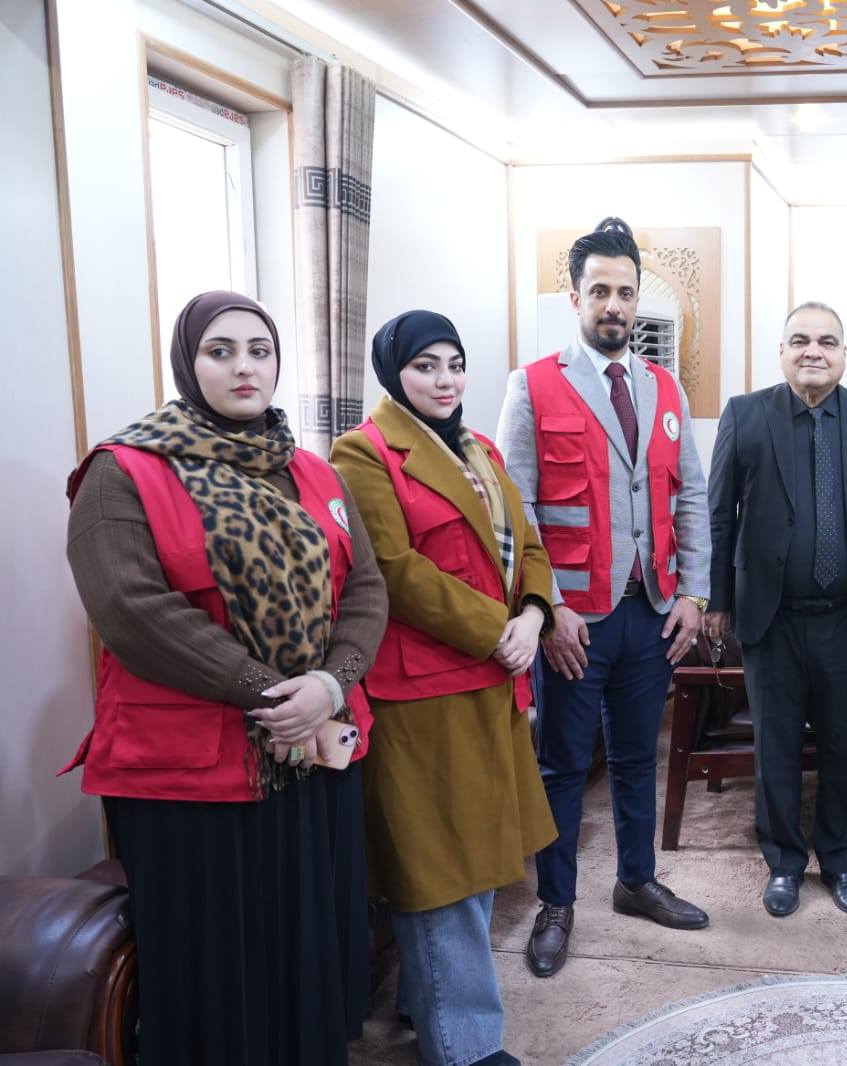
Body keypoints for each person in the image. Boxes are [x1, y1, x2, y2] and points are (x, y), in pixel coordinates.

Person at [62, 291, 386, 1065]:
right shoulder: (124, 471)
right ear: (187, 362)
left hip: (313, 753)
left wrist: (330, 686)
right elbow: (133, 612)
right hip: (193, 778)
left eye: (259, 350)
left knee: (307, 952)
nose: (245, 367)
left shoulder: (312, 470)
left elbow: (366, 589)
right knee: (218, 971)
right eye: (221, 350)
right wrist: (271, 693)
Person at [332, 311, 559, 1064]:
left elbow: (529, 543)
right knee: (441, 875)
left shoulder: (480, 448)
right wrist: (500, 628)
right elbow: (395, 572)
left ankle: (425, 1001)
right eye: (425, 365)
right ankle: (464, 1048)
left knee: (478, 864)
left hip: (493, 680)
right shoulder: (363, 452)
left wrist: (534, 614)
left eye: (454, 364)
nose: (445, 380)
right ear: (393, 372)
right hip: (425, 694)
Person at [496, 217, 712, 979]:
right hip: (574, 620)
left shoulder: (662, 387)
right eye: (599, 291)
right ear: (575, 297)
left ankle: (636, 881)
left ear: (636, 297)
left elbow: (691, 496)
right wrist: (546, 608)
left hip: (650, 610)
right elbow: (514, 509)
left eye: (624, 291)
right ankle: (556, 904)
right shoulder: (533, 384)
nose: (614, 304)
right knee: (561, 766)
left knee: (635, 757)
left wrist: (694, 592)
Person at [705, 301, 847, 918]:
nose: (813, 351)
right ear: (782, 351)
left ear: (844, 353)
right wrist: (718, 599)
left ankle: (843, 863)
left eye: (827, 341)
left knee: (844, 746)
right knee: (774, 748)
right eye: (800, 339)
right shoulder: (745, 414)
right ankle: (783, 864)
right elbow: (720, 516)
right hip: (770, 617)